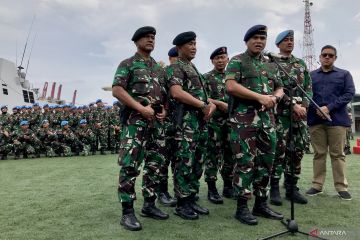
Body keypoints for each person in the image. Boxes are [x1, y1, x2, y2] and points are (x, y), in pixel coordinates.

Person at [225, 25, 284, 225]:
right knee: (245, 163)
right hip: (244, 121)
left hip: (268, 121)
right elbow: (231, 86)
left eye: (262, 38)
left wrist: (274, 99)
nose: (259, 41)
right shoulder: (237, 61)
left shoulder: (271, 64)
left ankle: (261, 204)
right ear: (247, 41)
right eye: (255, 38)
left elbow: (280, 88)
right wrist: (260, 97)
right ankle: (242, 207)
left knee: (266, 163)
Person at [112, 26, 169, 231]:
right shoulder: (128, 64)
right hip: (135, 123)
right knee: (130, 166)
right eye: (146, 37)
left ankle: (149, 205)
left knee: (155, 166)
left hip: (156, 125)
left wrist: (164, 110)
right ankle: (127, 212)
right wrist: (140, 108)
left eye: (153, 37)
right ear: (136, 42)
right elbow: (117, 90)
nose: (151, 40)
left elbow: (165, 97)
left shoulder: (159, 69)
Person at [167, 31, 216, 220]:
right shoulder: (176, 67)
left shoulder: (193, 67)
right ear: (179, 48)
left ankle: (192, 198)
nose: (194, 47)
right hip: (185, 124)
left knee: (198, 163)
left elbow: (200, 95)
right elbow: (177, 93)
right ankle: (182, 203)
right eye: (189, 44)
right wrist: (203, 105)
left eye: (195, 43)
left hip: (200, 124)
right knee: (184, 163)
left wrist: (209, 104)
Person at [306, 45, 355, 200]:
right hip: (315, 120)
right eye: (324, 55)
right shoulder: (311, 75)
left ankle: (341, 187)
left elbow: (349, 93)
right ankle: (317, 185)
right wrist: (317, 109)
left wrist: (329, 108)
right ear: (320, 57)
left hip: (337, 120)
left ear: (335, 58)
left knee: (338, 154)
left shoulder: (344, 74)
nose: (327, 57)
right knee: (319, 154)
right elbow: (306, 94)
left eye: (330, 55)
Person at [269, 30, 312, 206]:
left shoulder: (300, 64)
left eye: (291, 40)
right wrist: (292, 105)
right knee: (278, 153)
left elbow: (308, 88)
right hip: (281, 116)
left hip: (299, 117)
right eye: (285, 40)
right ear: (278, 44)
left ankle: (292, 188)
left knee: (297, 152)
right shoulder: (272, 63)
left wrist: (303, 107)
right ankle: (274, 189)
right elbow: (274, 89)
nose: (289, 42)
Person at [203, 46, 234, 203]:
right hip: (214, 123)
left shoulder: (234, 77)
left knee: (231, 154)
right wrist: (219, 103)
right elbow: (203, 97)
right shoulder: (206, 77)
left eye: (223, 57)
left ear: (228, 59)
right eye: (217, 58)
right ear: (212, 61)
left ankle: (228, 186)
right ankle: (212, 188)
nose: (220, 60)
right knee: (212, 155)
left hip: (233, 122)